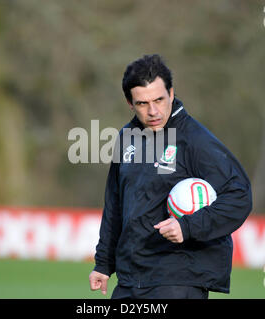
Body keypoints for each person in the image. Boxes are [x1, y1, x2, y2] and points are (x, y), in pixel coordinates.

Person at [89, 54, 252, 299]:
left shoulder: (195, 140)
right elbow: (115, 205)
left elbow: (239, 195)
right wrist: (103, 263)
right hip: (131, 279)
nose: (153, 111)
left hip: (178, 280)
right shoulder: (127, 138)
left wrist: (187, 226)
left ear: (171, 94)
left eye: (159, 100)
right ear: (130, 103)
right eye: (143, 103)